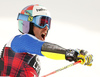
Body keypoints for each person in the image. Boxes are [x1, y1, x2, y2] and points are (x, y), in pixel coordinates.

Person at [0, 4, 93, 77]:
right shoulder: (19, 41)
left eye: (48, 23)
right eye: (41, 22)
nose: (46, 28)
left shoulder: (33, 59)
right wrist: (72, 53)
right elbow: (43, 47)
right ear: (28, 24)